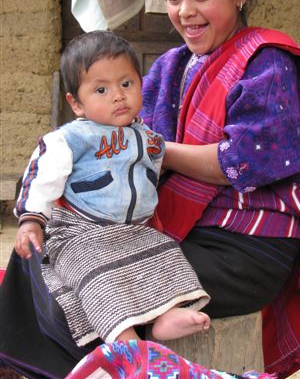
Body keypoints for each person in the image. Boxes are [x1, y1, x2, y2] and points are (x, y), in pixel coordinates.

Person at [0, 0, 300, 379]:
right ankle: (29, 365)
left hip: (243, 252)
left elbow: (240, 163)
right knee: (40, 248)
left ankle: (112, 366)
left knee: (82, 277)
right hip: (171, 232)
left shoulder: (268, 64)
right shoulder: (170, 67)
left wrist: (155, 150)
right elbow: (118, 145)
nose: (185, 12)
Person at [13, 30, 210, 348]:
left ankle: (167, 314)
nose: (118, 95)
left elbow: (152, 169)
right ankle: (123, 339)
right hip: (80, 233)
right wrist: (31, 220)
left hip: (131, 231)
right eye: (101, 89)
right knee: (96, 275)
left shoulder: (146, 136)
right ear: (76, 103)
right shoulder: (70, 139)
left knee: (166, 253)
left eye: (126, 84)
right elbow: (41, 177)